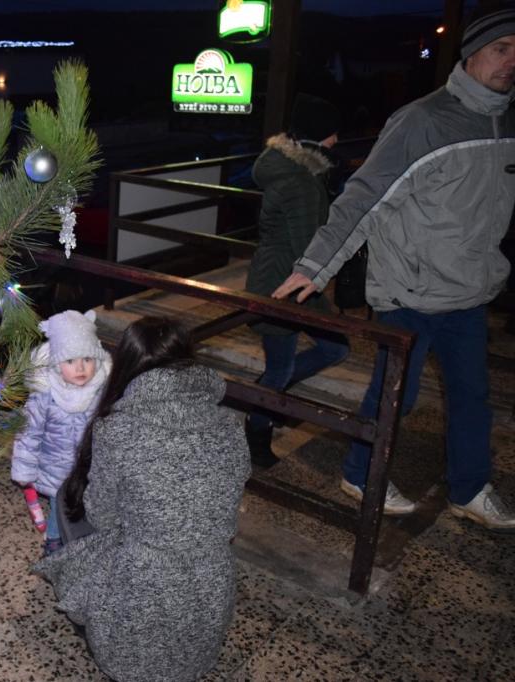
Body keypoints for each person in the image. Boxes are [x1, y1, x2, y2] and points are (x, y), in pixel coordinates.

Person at [272, 2, 515, 530]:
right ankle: (361, 474)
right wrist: (315, 266)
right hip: (409, 288)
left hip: (470, 290)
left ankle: (470, 488)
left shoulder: (509, 120)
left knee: (473, 398)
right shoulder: (423, 120)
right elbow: (363, 197)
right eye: (501, 48)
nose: (511, 61)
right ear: (473, 52)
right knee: (393, 396)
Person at [35, 317, 249, 682]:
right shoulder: (231, 423)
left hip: (140, 600)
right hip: (209, 599)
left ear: (127, 366)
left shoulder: (116, 429)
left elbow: (101, 516)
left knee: (66, 500)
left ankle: (83, 595)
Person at [244, 93, 350, 469]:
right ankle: (257, 429)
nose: (337, 140)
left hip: (289, 280)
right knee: (282, 367)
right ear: (320, 136)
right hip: (283, 286)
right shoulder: (301, 181)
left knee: (334, 349)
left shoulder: (293, 169)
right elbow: (309, 243)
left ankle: (266, 398)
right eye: (333, 133)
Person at [11, 309, 111, 556]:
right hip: (56, 468)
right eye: (70, 361)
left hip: (90, 466)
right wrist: (24, 469)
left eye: (87, 359)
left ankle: (86, 537)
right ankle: (54, 541)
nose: (81, 368)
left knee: (90, 502)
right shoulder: (44, 396)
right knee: (61, 504)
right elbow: (29, 435)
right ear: (56, 365)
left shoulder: (101, 391)